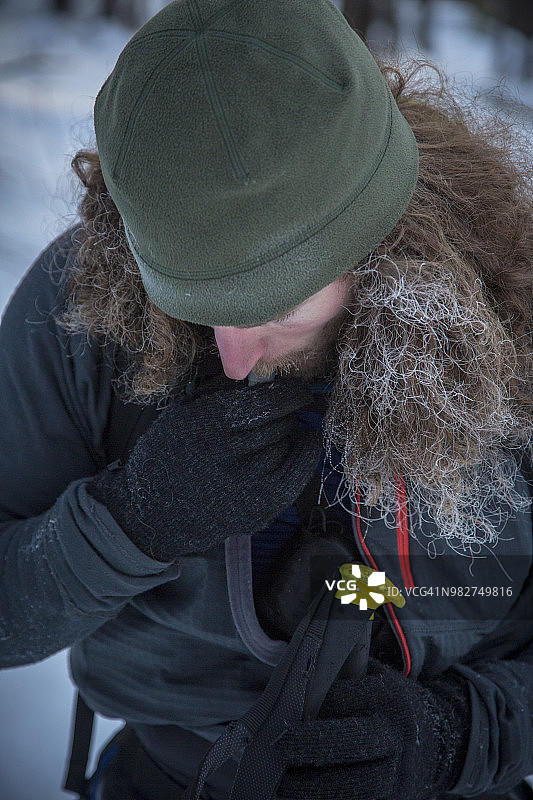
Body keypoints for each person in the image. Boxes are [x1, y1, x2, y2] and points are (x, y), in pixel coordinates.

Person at [1, 1, 533, 798]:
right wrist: (131, 520)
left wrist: (457, 739)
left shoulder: (514, 312)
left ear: (386, 238)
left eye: (278, 307)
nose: (235, 355)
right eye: (195, 306)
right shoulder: (77, 307)